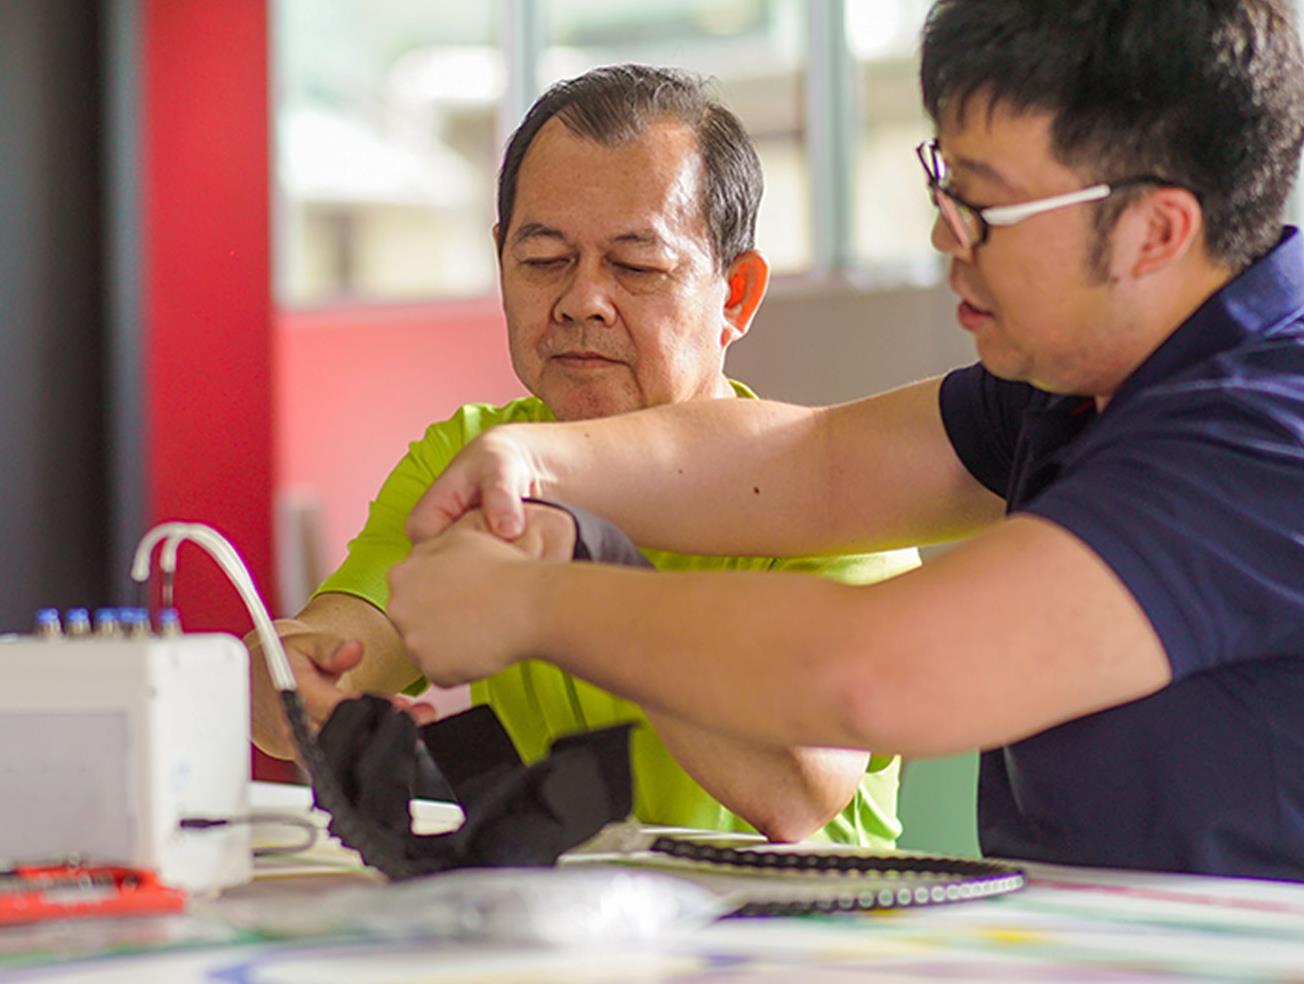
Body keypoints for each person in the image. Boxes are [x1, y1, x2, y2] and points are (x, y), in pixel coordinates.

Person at [387, 0, 1304, 881]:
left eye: (986, 207)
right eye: (945, 184)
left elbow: (879, 674)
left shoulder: (1263, 429)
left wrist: (538, 604)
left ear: (1155, 230)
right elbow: (816, 463)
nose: (948, 237)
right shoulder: (1077, 382)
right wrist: (540, 460)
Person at [248, 64, 920, 846]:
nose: (581, 301)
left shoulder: (831, 493)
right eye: (544, 260)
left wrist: (569, 588)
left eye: (637, 267)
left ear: (735, 295)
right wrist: (293, 686)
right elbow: (330, 653)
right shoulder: (474, 456)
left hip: (796, 944)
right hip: (567, 934)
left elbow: (792, 788)